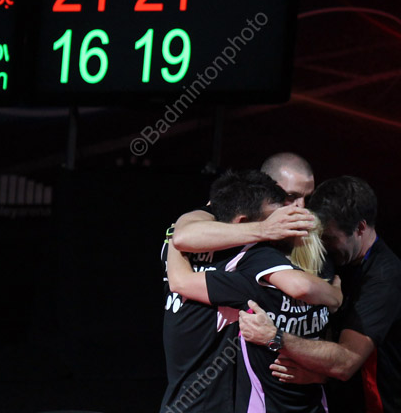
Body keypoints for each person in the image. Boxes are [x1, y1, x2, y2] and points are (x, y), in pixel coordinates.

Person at [160, 170, 341, 413]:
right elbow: (302, 287)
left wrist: (172, 237)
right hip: (204, 402)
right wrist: (335, 295)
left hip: (189, 399)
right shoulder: (247, 260)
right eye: (291, 198)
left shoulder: (181, 247)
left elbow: (182, 244)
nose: (295, 209)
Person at [239, 176, 401, 413]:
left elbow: (346, 362)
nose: (322, 246)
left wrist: (275, 337)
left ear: (360, 228)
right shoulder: (336, 257)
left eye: (330, 238)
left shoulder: (384, 278)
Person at [172, 153, 315, 254]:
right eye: (291, 196)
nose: (301, 206)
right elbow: (182, 237)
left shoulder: (304, 235)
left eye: (307, 198)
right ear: (269, 188)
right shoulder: (222, 210)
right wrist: (264, 229)